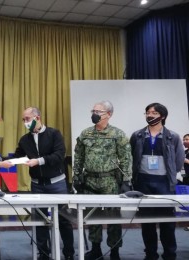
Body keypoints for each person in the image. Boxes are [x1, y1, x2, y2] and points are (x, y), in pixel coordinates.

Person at [10, 107, 75, 260]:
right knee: (40, 220)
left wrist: (38, 161)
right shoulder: (25, 140)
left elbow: (59, 155)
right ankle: (43, 254)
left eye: (27, 119)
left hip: (57, 184)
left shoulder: (54, 134)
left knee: (64, 220)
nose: (25, 122)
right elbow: (19, 156)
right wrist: (6, 162)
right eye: (23, 120)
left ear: (37, 118)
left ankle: (69, 253)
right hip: (37, 185)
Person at [73, 100, 132, 260]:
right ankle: (96, 248)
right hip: (90, 180)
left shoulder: (117, 134)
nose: (94, 114)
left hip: (110, 180)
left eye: (98, 111)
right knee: (92, 216)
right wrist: (76, 176)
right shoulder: (85, 133)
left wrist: (126, 181)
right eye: (93, 110)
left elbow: (126, 158)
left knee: (113, 217)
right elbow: (79, 157)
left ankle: (114, 250)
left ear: (109, 114)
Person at [130, 103, 184, 260]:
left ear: (163, 116)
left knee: (167, 222)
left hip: (164, 184)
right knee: (147, 222)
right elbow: (133, 157)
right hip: (143, 183)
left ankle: (170, 254)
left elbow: (179, 160)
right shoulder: (137, 135)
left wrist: (171, 174)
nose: (150, 115)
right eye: (147, 112)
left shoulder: (172, 136)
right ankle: (150, 254)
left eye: (154, 112)